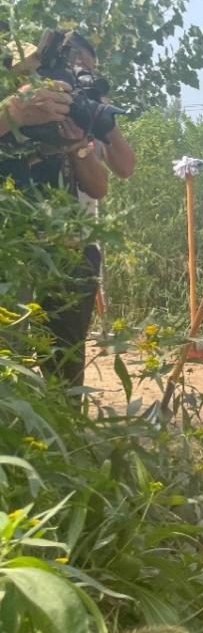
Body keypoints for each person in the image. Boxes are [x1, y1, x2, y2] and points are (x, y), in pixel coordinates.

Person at [0, 31, 118, 401]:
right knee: (8, 366)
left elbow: (100, 184)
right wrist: (12, 114)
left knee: (63, 374)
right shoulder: (15, 105)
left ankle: (65, 428)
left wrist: (75, 145)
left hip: (64, 253)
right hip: (10, 256)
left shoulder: (51, 115)